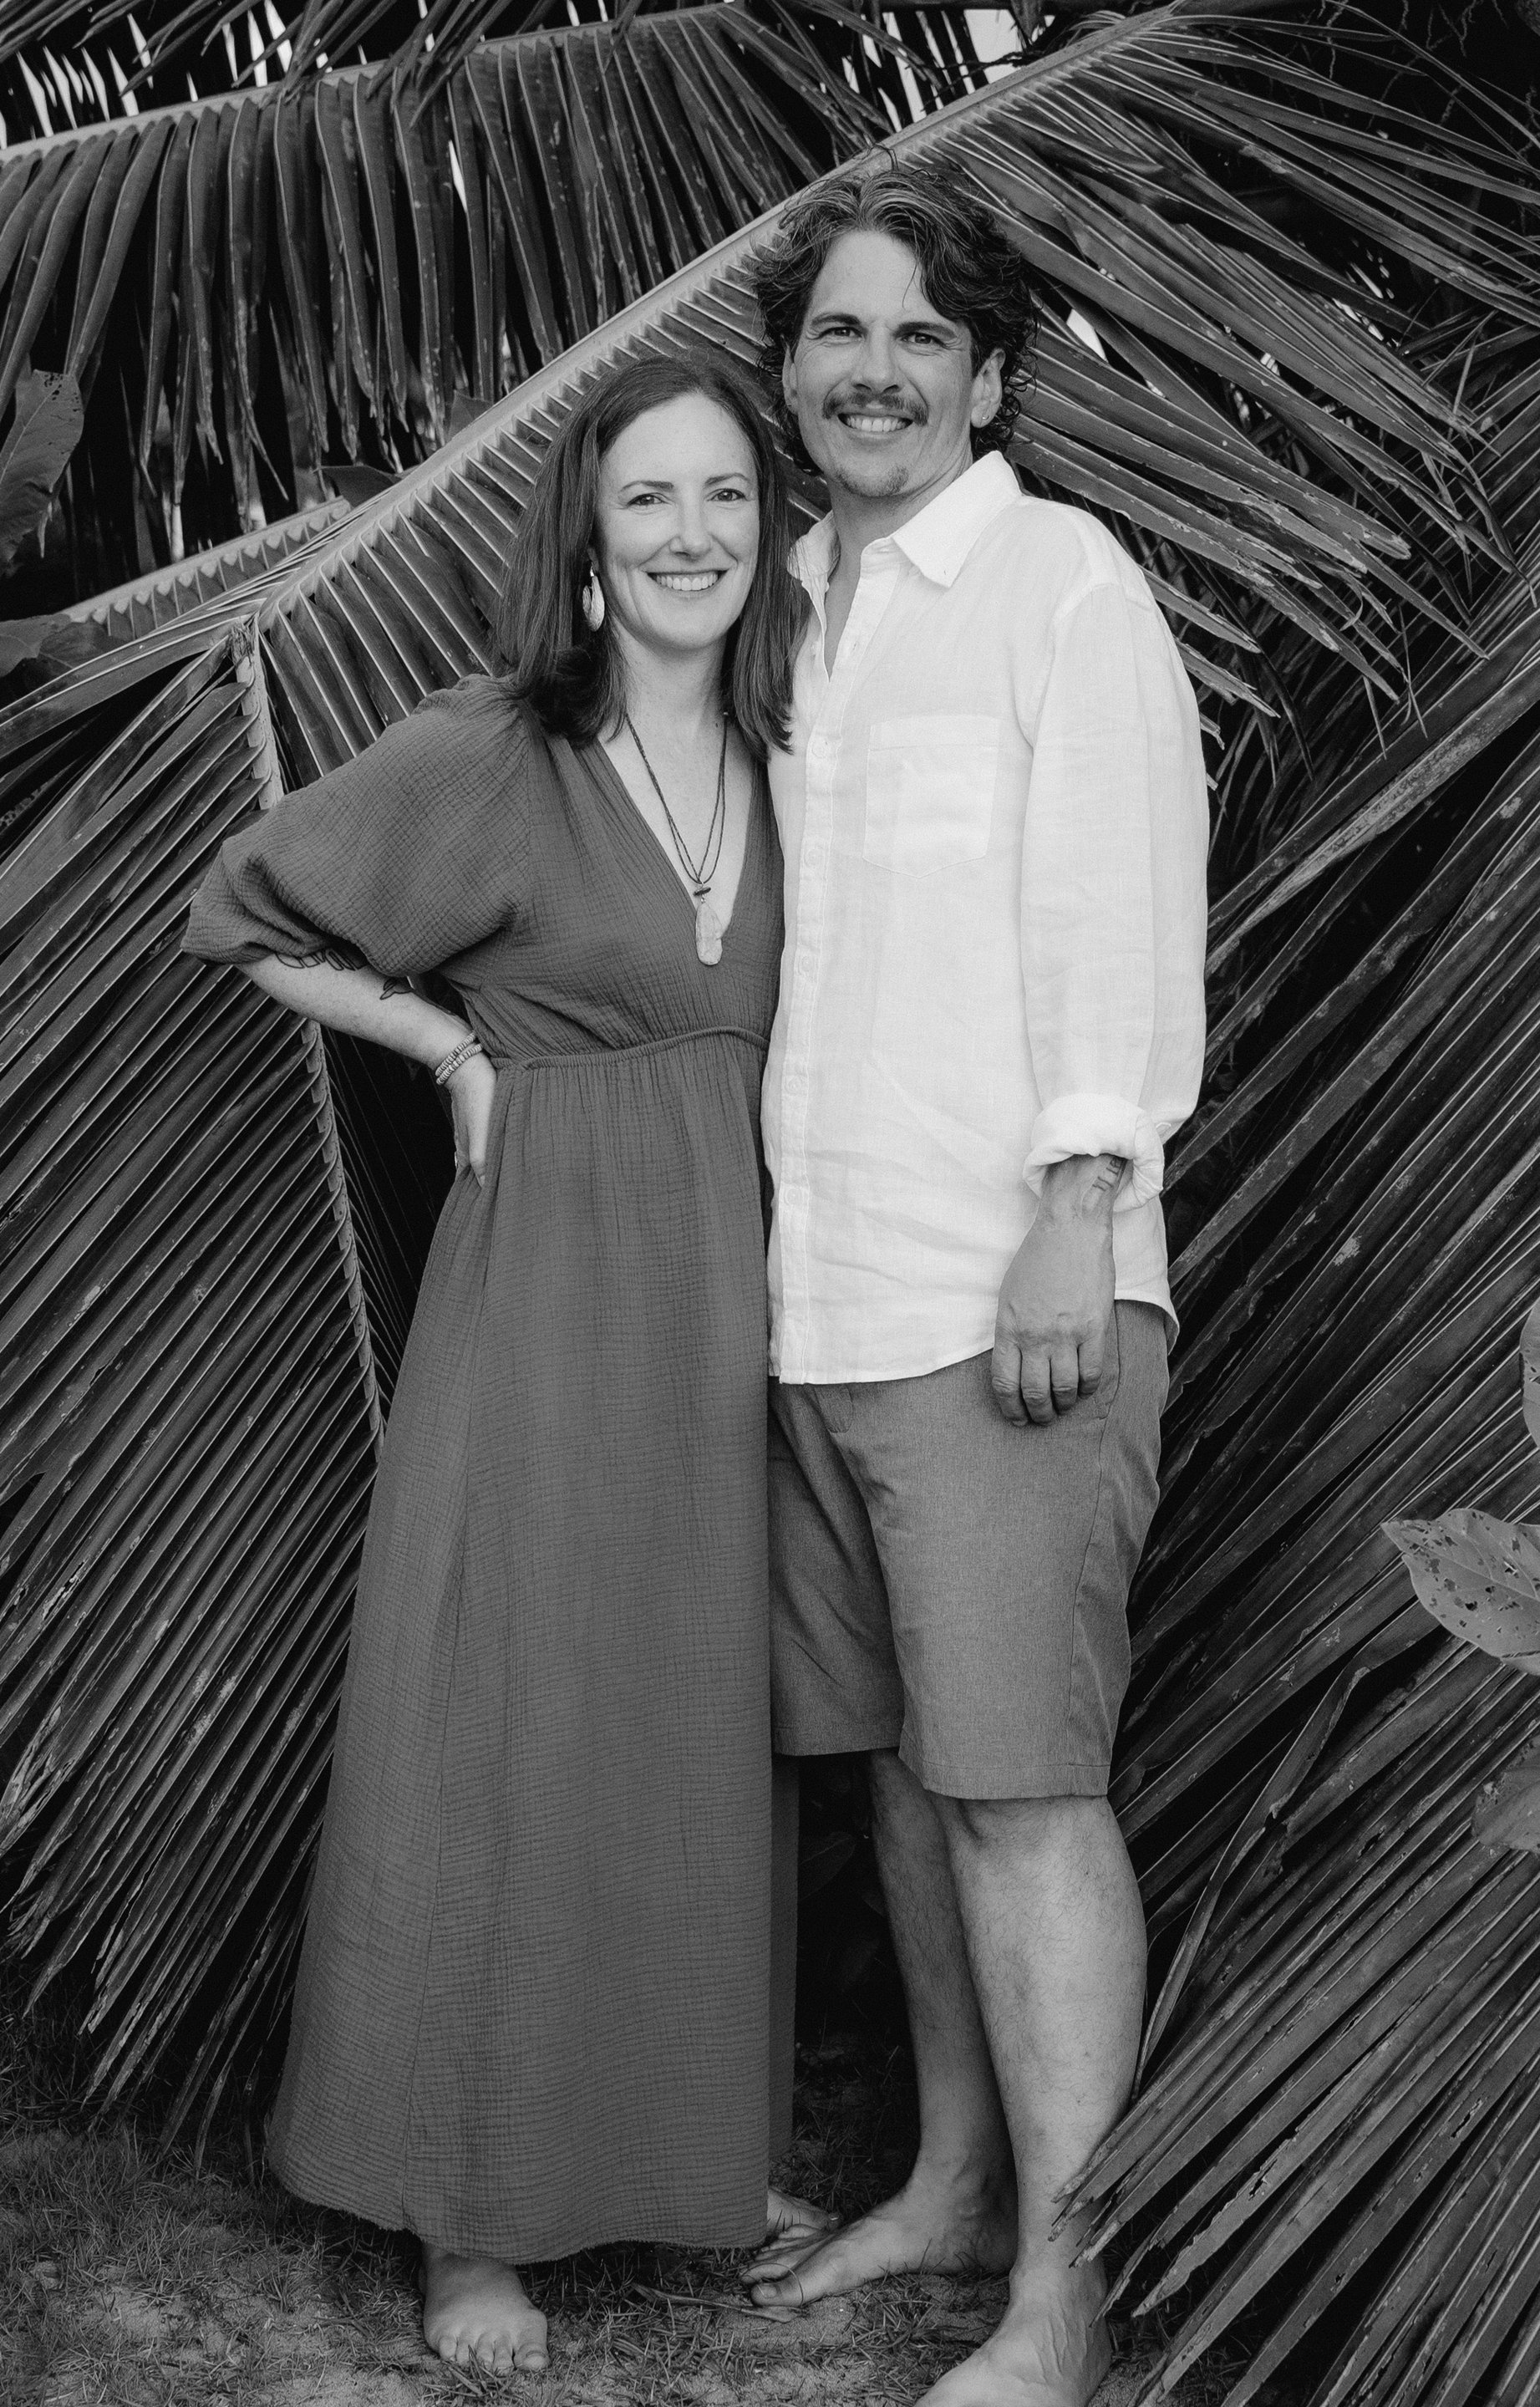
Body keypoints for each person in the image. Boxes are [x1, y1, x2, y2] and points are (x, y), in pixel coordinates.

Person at [184, 354, 831, 2376]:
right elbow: (241, 907)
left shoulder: (798, 748)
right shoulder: (498, 747)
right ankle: (469, 2220)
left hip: (732, 1305)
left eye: (726, 496)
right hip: (550, 1286)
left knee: (687, 1726)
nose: (692, 534)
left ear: (769, 529)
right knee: (519, 1720)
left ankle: (684, 2161)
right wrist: (449, 1044)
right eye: (650, 499)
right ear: (589, 540)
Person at [740, 163, 1209, 2406]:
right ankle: (944, 2187)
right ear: (791, 378)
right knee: (912, 1786)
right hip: (817, 1303)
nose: (877, 371)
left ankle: (1065, 2300)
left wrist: (1080, 1204)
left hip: (1007, 1291)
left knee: (1022, 1792)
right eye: (841, 333)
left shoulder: (1058, 584)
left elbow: (1119, 904)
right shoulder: (777, 610)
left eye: (922, 335)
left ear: (991, 379)